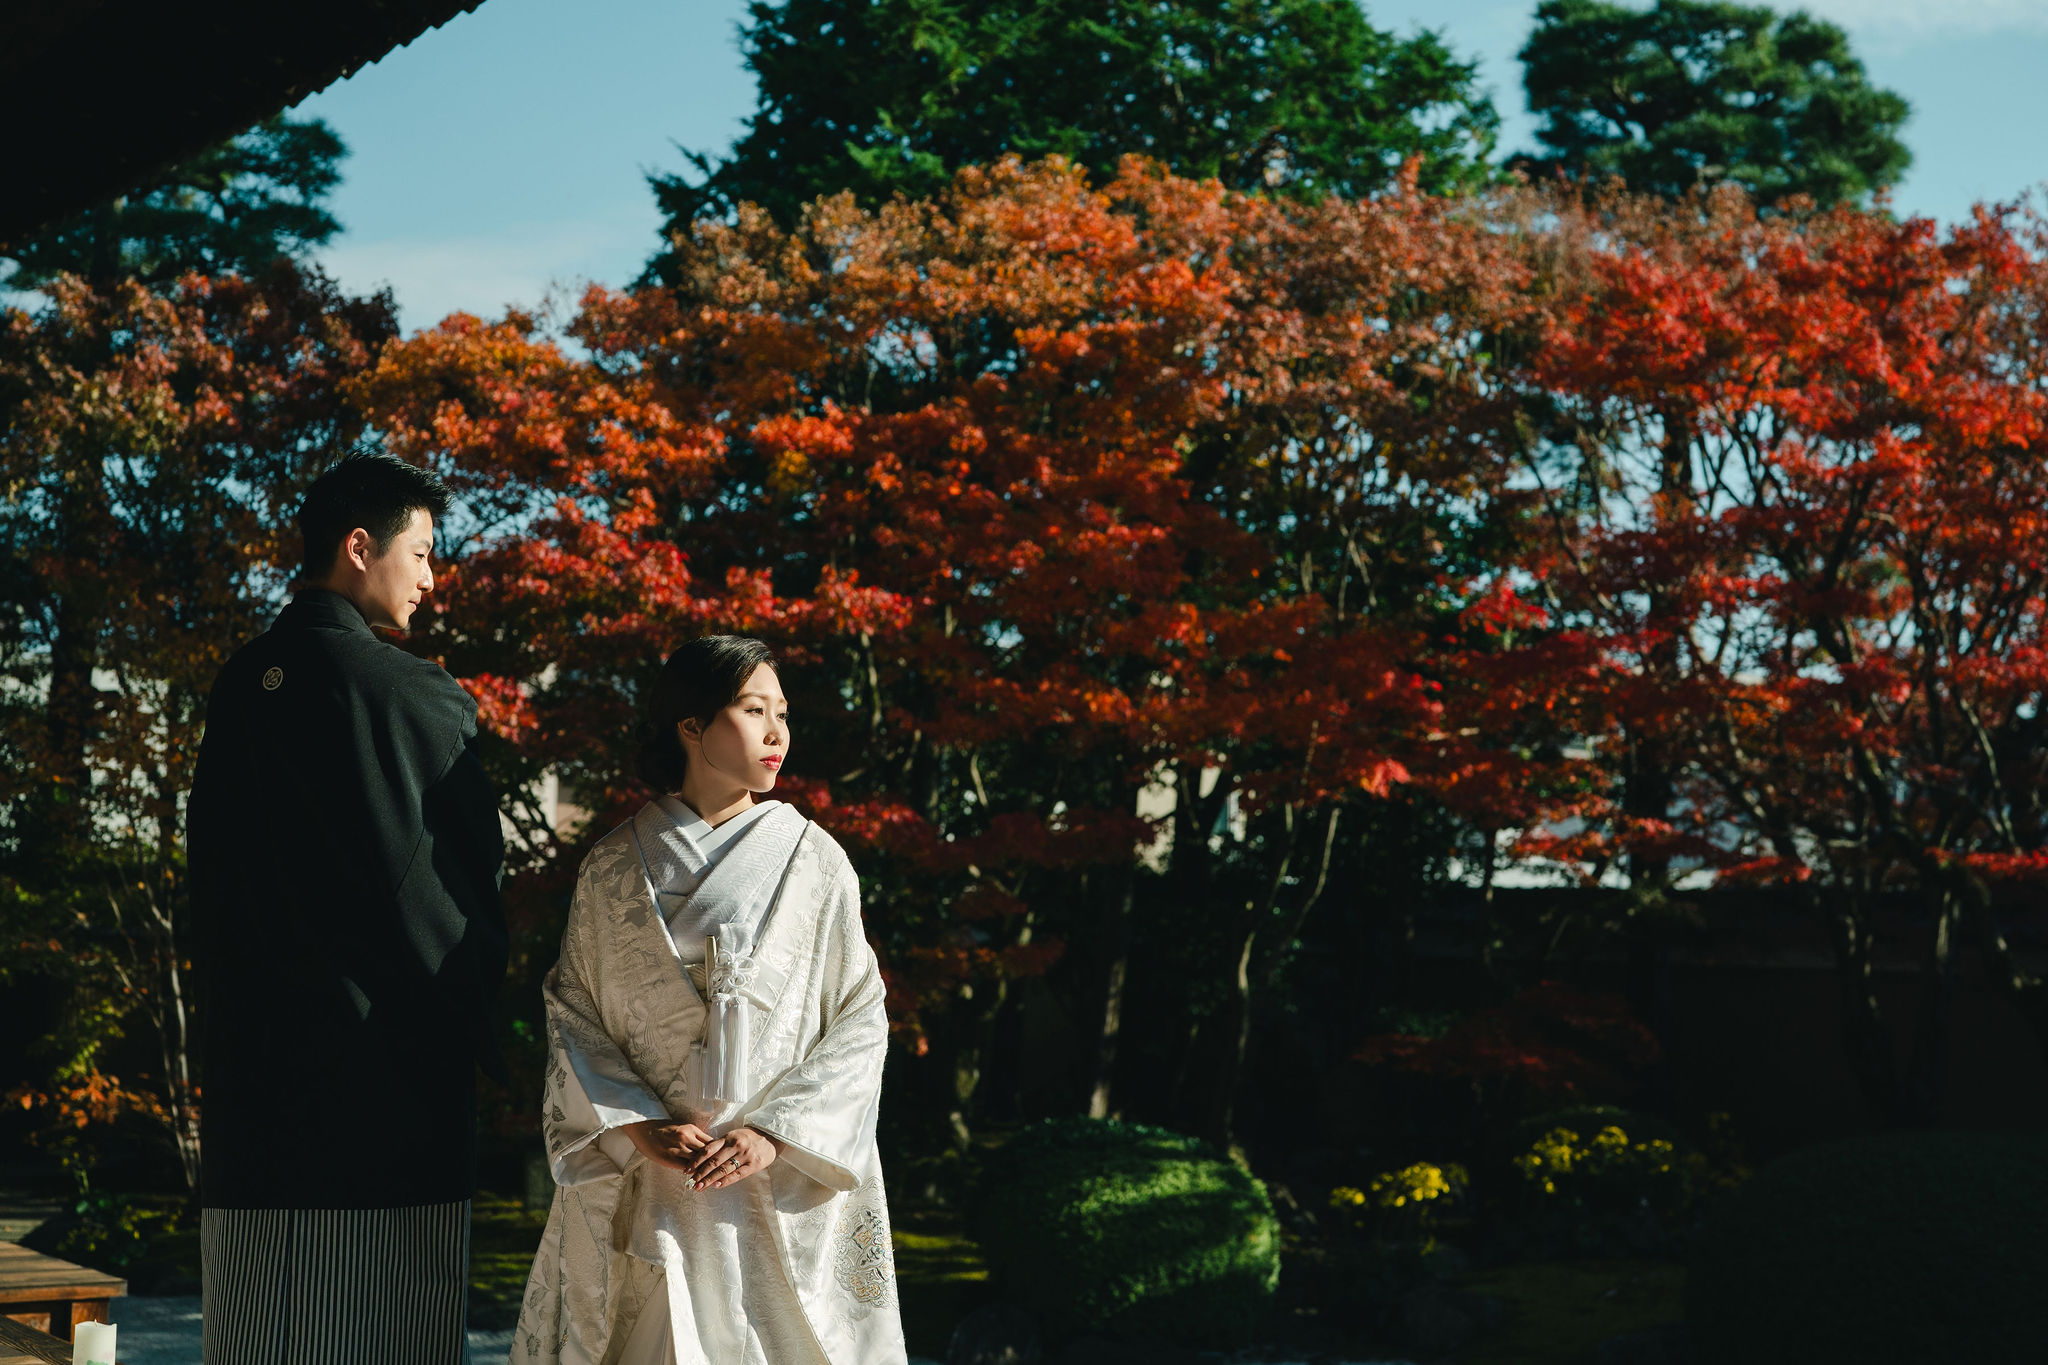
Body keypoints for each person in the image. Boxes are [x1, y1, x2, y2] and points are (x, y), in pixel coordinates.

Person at [187, 453, 509, 1365]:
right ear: (360, 547)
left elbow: (204, 884)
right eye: (424, 551)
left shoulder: (241, 682)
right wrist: (476, 1015)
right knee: (377, 1336)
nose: (433, 577)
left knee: (255, 1336)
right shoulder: (416, 696)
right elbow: (454, 896)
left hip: (253, 1092)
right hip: (380, 1093)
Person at [517, 636, 904, 1365]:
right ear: (690, 725)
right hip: (655, 1174)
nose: (777, 732)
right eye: (754, 709)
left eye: (782, 712)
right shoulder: (610, 867)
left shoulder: (816, 862)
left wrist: (775, 1132)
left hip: (773, 1176)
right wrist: (637, 1124)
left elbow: (860, 1015)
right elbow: (574, 1014)